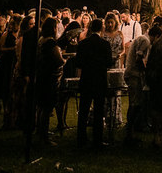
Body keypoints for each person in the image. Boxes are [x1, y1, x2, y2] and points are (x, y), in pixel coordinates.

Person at [71, 18, 112, 148]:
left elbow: (78, 63)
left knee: (83, 110)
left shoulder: (83, 44)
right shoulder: (105, 44)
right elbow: (109, 63)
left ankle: (81, 138)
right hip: (99, 80)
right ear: (102, 28)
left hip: (87, 80)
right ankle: (97, 139)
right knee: (99, 111)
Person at [33, 17, 65, 145]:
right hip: (49, 77)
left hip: (42, 75)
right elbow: (58, 59)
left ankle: (40, 131)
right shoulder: (50, 42)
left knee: (41, 106)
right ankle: (44, 137)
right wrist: (64, 61)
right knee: (47, 107)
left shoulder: (41, 39)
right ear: (53, 28)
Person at [123, 18, 153, 146]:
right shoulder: (145, 41)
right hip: (134, 75)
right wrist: (146, 72)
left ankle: (132, 129)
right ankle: (130, 131)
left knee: (134, 103)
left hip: (132, 73)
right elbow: (138, 58)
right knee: (135, 103)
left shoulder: (141, 39)